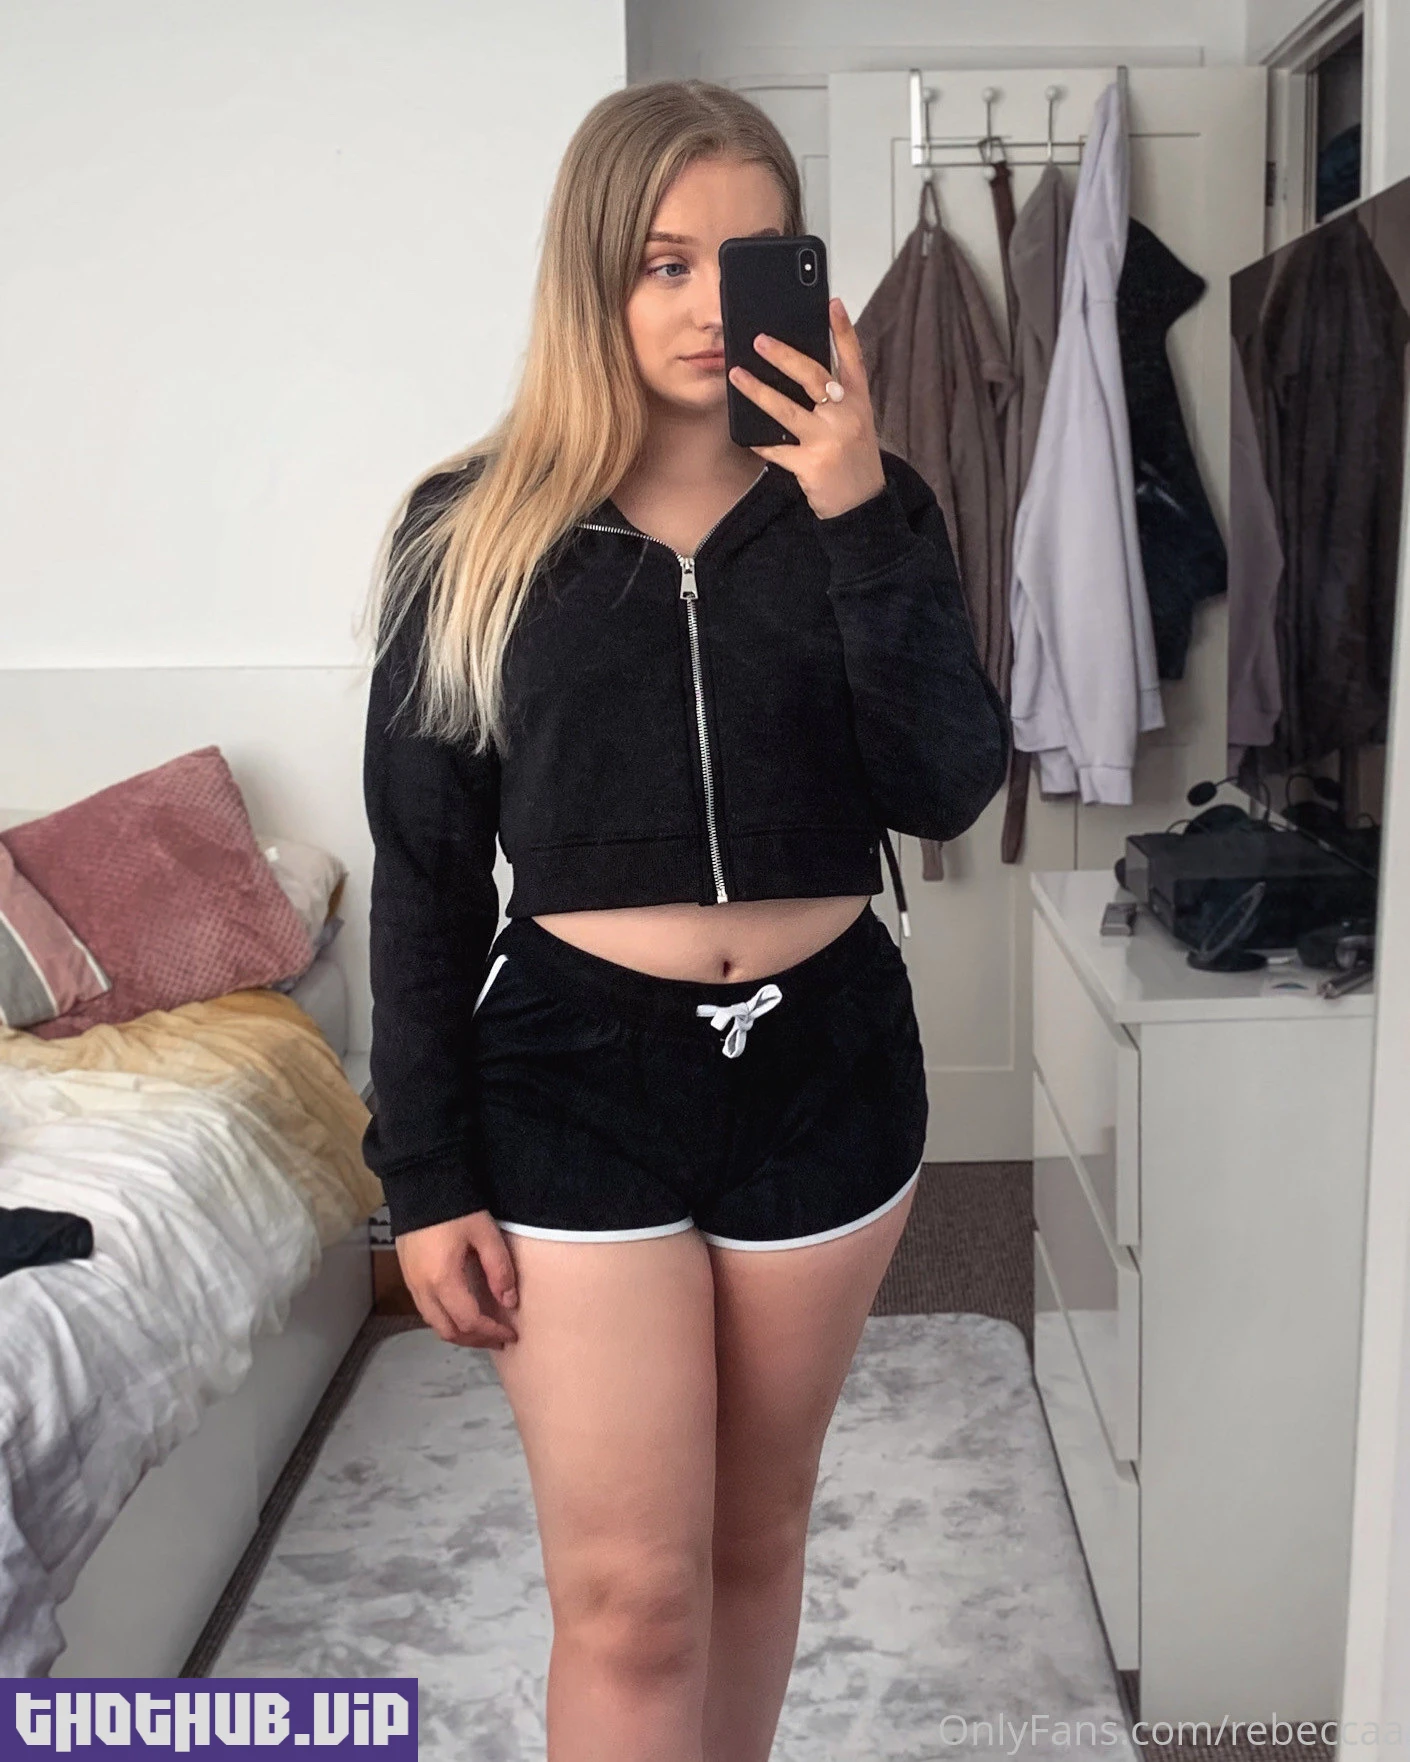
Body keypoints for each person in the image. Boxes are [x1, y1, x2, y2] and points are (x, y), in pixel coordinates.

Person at [359, 78, 1009, 1762]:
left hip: (827, 1066)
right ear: (593, 273)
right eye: (663, 261)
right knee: (631, 1597)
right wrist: (423, 1173)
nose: (710, 302)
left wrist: (851, 505)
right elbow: (425, 872)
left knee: (754, 1540)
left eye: (749, 256)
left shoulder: (869, 502)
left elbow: (946, 788)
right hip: (574, 1079)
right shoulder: (469, 531)